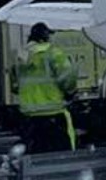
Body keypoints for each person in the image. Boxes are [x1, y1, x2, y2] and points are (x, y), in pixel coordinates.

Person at [14, 23, 78, 153]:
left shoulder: (21, 56)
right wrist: (70, 93)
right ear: (45, 37)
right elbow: (67, 78)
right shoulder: (53, 53)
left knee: (36, 156)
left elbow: (15, 85)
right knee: (60, 156)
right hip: (53, 112)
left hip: (29, 115)